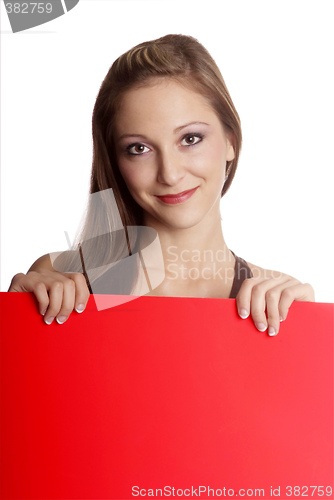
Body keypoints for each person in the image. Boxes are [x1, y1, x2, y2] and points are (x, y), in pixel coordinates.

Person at [8, 34, 314, 335]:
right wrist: (12, 322)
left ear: (230, 141)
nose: (169, 173)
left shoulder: (278, 302)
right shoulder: (61, 279)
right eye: (139, 149)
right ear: (115, 160)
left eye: (190, 139)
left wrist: (311, 338)